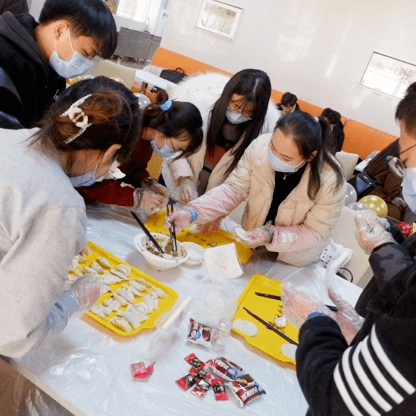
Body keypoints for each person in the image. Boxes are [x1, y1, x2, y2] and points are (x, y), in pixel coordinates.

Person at [281, 82, 416, 415]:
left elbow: (338, 398)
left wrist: (313, 323)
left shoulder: (330, 180)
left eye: (406, 160)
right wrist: (364, 334)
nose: (406, 174)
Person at [0, 76, 141, 358]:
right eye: (115, 163)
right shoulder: (60, 205)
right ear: (111, 152)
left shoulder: (5, 136)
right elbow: (12, 336)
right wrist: (72, 300)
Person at [166, 111, 346, 267]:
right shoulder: (260, 146)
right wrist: (193, 213)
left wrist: (270, 235)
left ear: (310, 156)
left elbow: (315, 231)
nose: (275, 158)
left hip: (292, 257)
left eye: (285, 157)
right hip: (250, 242)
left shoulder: (331, 181)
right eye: (273, 148)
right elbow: (233, 190)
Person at [77, 90, 203, 215]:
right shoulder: (122, 132)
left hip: (89, 203)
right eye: (175, 147)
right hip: (73, 194)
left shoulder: (146, 140)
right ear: (164, 131)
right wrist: (136, 198)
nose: (173, 153)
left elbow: (132, 169)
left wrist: (148, 183)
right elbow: (90, 183)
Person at [163, 69, 281, 203]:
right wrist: (184, 179)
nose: (239, 113)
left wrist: (216, 203)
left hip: (215, 197)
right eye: (236, 105)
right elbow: (172, 145)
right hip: (176, 180)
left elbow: (242, 177)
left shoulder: (263, 132)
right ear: (227, 94)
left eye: (249, 112)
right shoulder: (199, 105)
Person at [0, 0, 117, 128]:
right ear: (60, 31)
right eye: (86, 53)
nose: (86, 63)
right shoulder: (7, 60)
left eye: (91, 57)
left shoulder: (54, 71)